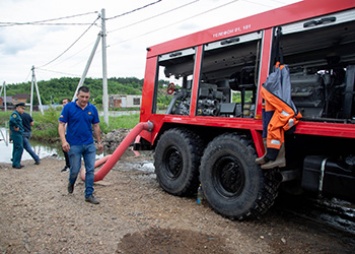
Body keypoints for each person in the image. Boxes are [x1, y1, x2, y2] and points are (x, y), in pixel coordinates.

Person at [58, 86, 103, 204]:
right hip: (74, 145)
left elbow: (96, 126)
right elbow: (61, 125)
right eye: (82, 96)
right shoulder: (68, 107)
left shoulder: (92, 109)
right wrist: (64, 141)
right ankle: (71, 182)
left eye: (87, 97)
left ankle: (89, 194)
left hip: (89, 144)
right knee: (75, 169)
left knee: (90, 170)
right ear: (77, 95)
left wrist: (99, 141)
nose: (84, 99)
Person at [9, 103, 25, 169]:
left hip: (18, 133)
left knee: (16, 148)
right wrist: (16, 126)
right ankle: (16, 163)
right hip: (16, 133)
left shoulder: (17, 115)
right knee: (19, 148)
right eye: (22, 109)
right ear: (18, 108)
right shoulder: (15, 114)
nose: (23, 110)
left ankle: (15, 162)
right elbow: (12, 120)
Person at [60, 98, 71, 172]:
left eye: (65, 102)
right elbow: (61, 125)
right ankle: (68, 165)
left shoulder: (72, 111)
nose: (64, 104)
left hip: (71, 134)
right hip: (65, 134)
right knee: (65, 150)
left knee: (72, 151)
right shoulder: (63, 112)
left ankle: (72, 166)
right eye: (63, 103)